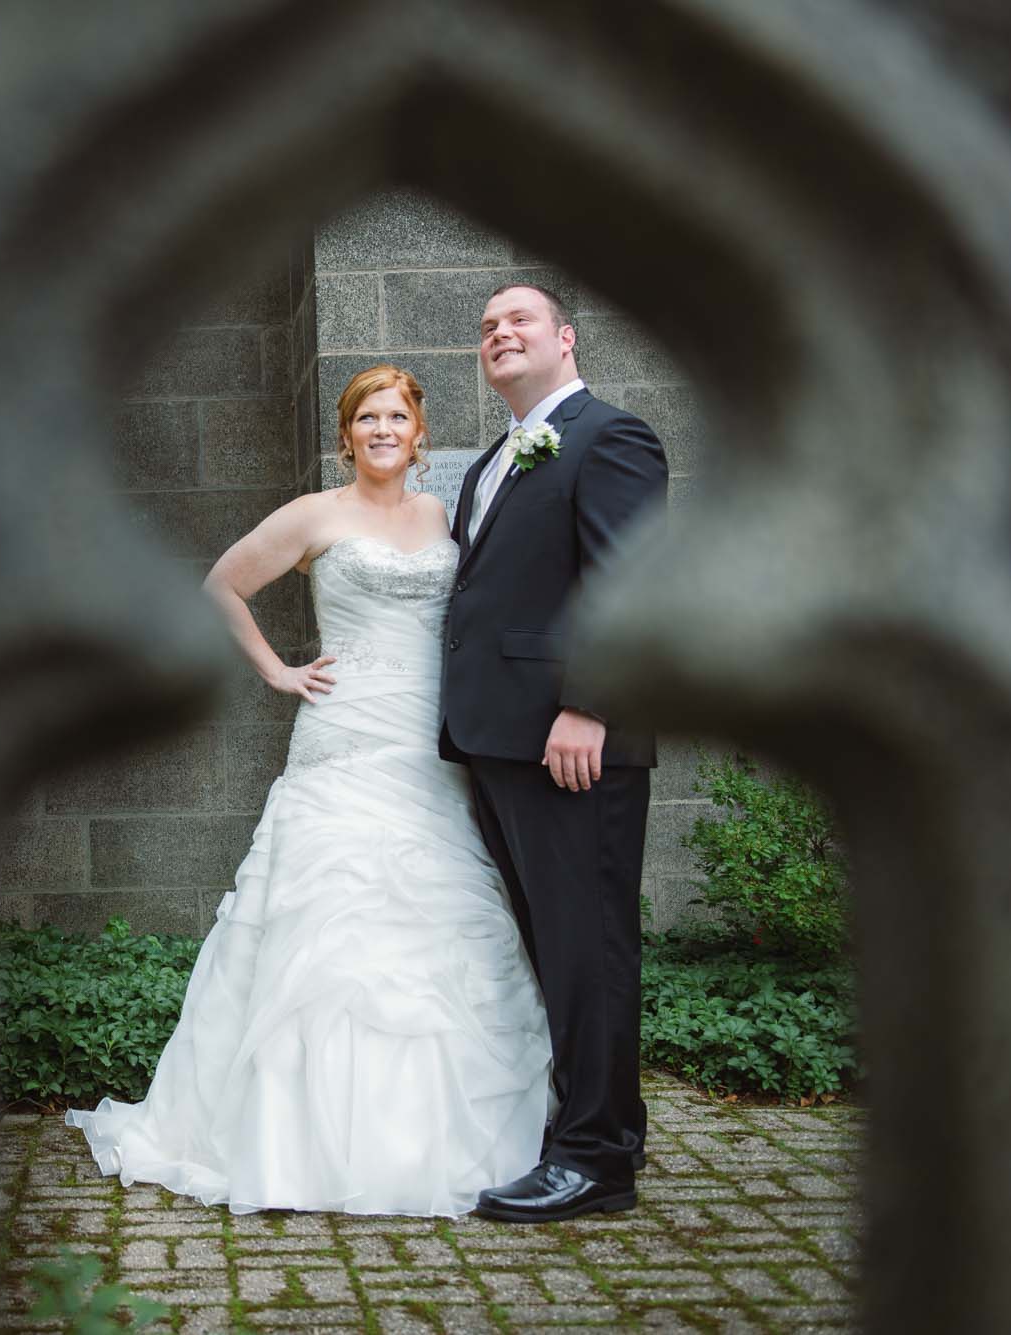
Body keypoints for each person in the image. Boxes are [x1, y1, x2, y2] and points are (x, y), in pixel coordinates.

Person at [65, 365, 552, 1217]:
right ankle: (297, 1137)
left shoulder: (445, 516)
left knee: (439, 909)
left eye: (397, 415)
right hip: (344, 732)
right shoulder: (315, 514)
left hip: (430, 739)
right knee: (328, 910)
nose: (382, 429)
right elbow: (221, 584)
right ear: (347, 433)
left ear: (419, 432)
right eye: (367, 417)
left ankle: (433, 1131)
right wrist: (278, 671)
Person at [442, 283, 668, 1223]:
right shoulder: (494, 459)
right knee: (557, 949)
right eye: (488, 327)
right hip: (498, 741)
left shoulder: (609, 436)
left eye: (518, 320)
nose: (500, 333)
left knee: (590, 947)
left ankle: (596, 1160)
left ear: (565, 339)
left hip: (570, 742)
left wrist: (590, 706)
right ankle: (600, 1121)